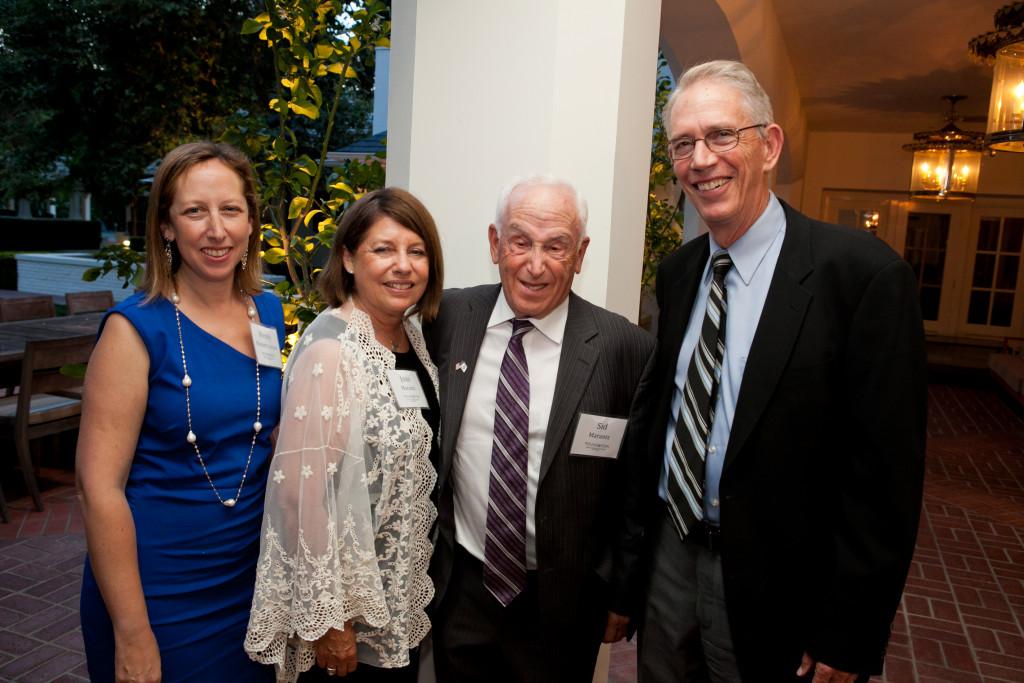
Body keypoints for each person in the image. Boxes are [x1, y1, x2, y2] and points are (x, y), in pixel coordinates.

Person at [613, 60, 927, 682]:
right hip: (671, 558)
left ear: (770, 145)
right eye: (683, 144)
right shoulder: (679, 275)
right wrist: (629, 573)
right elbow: (660, 425)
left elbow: (885, 475)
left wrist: (849, 627)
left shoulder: (861, 277)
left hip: (782, 582)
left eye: (721, 135)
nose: (701, 160)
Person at [426, 176, 655, 681]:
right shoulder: (447, 318)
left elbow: (634, 491)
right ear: (495, 243)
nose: (535, 264)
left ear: (580, 254)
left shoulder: (625, 349)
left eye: (556, 246)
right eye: (520, 241)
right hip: (462, 587)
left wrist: (621, 591)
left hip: (565, 602)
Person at [77, 141, 285, 682]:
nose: (216, 230)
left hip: (250, 579)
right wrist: (132, 628)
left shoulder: (268, 311)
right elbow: (98, 488)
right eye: (195, 211)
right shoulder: (134, 330)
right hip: (157, 589)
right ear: (167, 227)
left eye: (230, 210)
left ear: (250, 221)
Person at [244, 188, 444, 682]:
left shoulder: (410, 337)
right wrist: (333, 623)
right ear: (350, 259)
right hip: (350, 627)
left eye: (416, 252)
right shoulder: (332, 351)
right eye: (383, 250)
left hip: (397, 604)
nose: (403, 266)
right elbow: (302, 497)